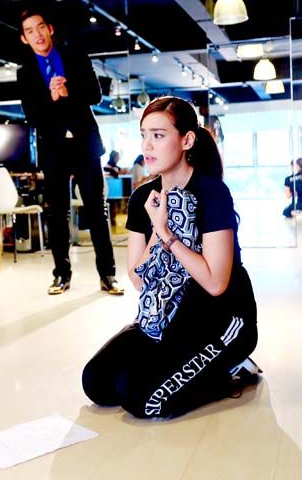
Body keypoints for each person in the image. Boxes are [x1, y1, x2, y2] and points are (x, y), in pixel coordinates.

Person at [82, 96, 260, 419]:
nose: (147, 145)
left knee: (139, 398)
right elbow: (138, 279)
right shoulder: (143, 198)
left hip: (223, 317)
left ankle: (230, 372)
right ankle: (178, 360)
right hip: (169, 315)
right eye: (144, 135)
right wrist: (156, 228)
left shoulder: (212, 192)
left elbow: (215, 283)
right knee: (97, 383)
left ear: (186, 140)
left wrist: (166, 233)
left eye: (159, 135)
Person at [16, 8, 124, 296]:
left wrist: (68, 92)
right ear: (25, 38)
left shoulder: (75, 55)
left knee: (97, 211)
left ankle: (108, 275)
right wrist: (51, 98)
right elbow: (31, 116)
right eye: (30, 31)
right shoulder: (25, 73)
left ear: (49, 28)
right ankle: (61, 275)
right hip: (54, 150)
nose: (37, 34)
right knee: (58, 214)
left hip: (85, 145)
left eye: (40, 27)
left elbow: (95, 95)